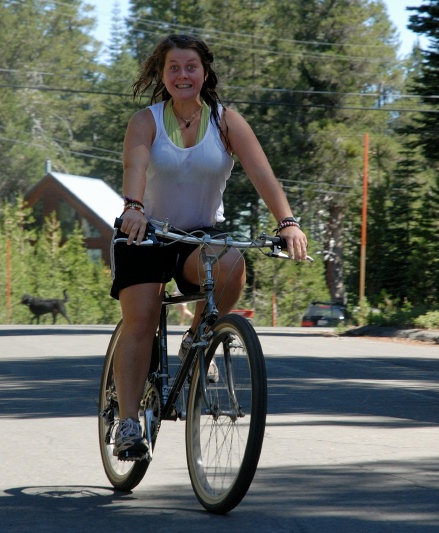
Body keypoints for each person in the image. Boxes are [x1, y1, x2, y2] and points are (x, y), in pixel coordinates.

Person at [110, 34, 308, 459]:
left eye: (190, 67)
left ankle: (197, 337)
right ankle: (127, 423)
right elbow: (136, 166)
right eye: (174, 68)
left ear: (204, 72)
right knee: (141, 321)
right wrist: (134, 206)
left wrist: (287, 222)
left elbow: (262, 174)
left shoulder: (225, 122)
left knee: (231, 262)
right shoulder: (146, 121)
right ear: (162, 75)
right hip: (144, 231)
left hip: (198, 235)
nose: (183, 74)